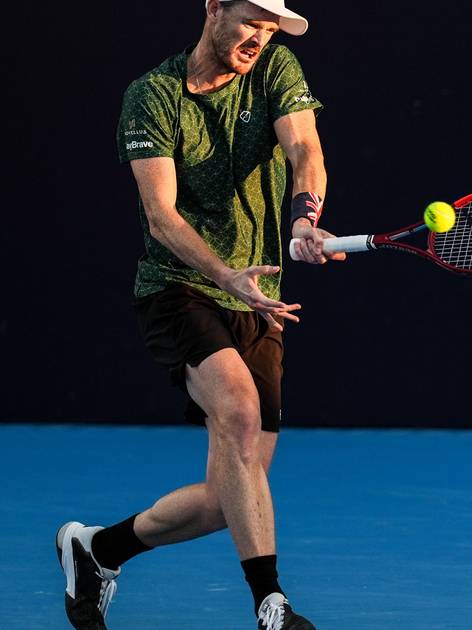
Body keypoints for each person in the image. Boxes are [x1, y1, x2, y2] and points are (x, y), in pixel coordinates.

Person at [58, 2, 341, 628]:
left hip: (257, 295)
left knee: (228, 500)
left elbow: (305, 148)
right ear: (214, 8)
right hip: (179, 285)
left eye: (270, 31)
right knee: (239, 413)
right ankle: (271, 603)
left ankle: (97, 548)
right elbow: (161, 217)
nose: (259, 40)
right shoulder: (152, 96)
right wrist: (224, 277)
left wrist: (303, 217)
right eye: (250, 23)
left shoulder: (274, 70)